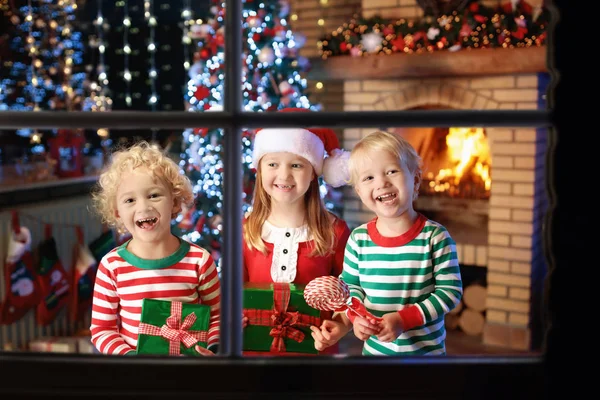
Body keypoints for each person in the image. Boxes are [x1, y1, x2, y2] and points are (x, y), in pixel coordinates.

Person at [313, 130, 463, 356]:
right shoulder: (358, 240)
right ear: (360, 192)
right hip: (375, 356)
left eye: (392, 171)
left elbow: (450, 292)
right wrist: (354, 318)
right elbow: (351, 289)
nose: (382, 182)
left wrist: (404, 319)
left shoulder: (435, 237)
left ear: (415, 179)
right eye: (368, 178)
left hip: (427, 358)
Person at [89, 141, 220, 356]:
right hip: (139, 381)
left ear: (175, 203)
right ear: (117, 213)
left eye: (154, 195)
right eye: (130, 200)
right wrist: (130, 358)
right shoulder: (112, 267)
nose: (144, 206)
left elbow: (217, 317)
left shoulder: (200, 261)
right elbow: (102, 330)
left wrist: (214, 347)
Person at [242, 108, 351, 355]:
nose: (284, 175)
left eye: (296, 165)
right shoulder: (245, 232)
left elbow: (351, 295)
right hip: (255, 358)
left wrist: (341, 326)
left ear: (313, 172)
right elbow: (233, 296)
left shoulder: (335, 232)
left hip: (314, 358)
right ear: (259, 169)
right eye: (272, 164)